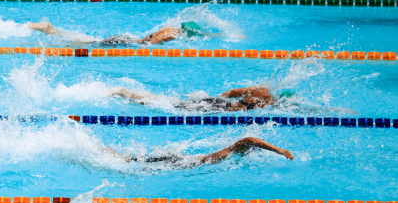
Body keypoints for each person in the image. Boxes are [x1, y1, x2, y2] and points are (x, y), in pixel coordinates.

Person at [102, 137, 294, 169]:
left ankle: (112, 154)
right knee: (131, 162)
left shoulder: (232, 155)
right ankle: (108, 153)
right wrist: (279, 150)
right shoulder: (233, 151)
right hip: (181, 162)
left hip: (184, 161)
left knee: (137, 161)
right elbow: (249, 139)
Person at [112, 86, 295, 112]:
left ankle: (132, 94)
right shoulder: (267, 100)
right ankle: (128, 94)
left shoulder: (261, 89)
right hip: (219, 107)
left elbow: (232, 91)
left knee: (173, 103)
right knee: (173, 106)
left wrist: (216, 99)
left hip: (217, 102)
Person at [28, 20, 209, 45]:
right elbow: (148, 45)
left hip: (126, 38)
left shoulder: (169, 28)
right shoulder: (171, 34)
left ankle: (50, 30)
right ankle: (49, 30)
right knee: (85, 44)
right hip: (128, 42)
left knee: (89, 42)